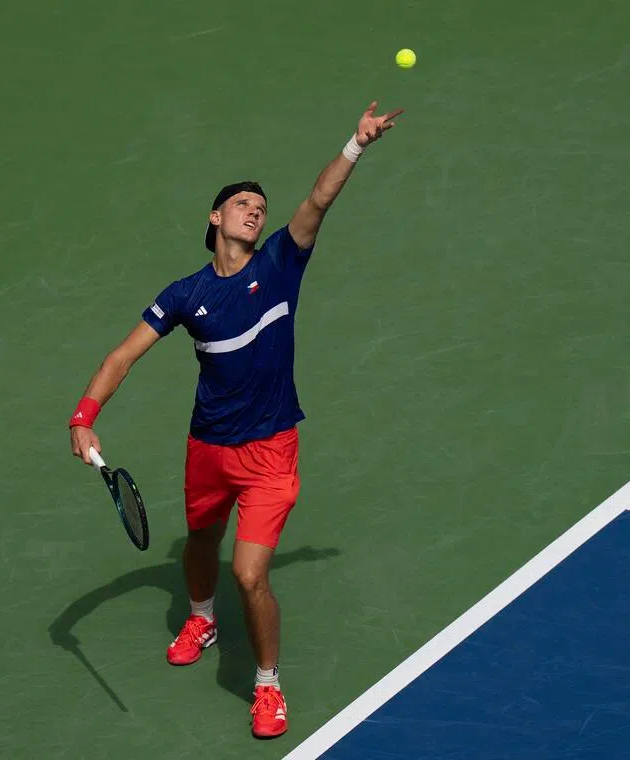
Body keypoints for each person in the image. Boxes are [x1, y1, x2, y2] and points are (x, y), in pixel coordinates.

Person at [68, 101, 404, 739]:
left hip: (271, 451)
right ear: (215, 218)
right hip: (208, 448)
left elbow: (318, 200)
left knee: (249, 574)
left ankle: (268, 685)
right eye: (243, 202)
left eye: (260, 204)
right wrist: (84, 416)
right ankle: (201, 615)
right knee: (199, 543)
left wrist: (356, 145)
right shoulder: (185, 294)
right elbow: (122, 356)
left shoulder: (281, 263)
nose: (256, 208)